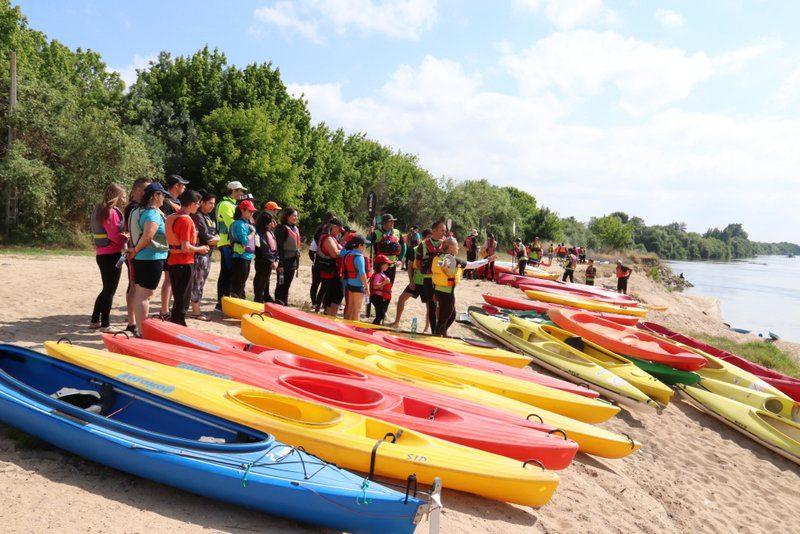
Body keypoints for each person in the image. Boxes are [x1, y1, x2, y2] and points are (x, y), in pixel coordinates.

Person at [126, 182, 170, 333]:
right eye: (162, 194)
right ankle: (143, 332)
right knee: (145, 295)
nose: (164, 198)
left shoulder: (139, 210)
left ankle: (140, 329)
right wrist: (136, 249)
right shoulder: (152, 213)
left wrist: (135, 250)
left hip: (143, 259)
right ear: (155, 195)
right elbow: (147, 237)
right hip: (151, 258)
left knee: (140, 294)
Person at [432, 237, 494, 337]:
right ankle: (437, 336)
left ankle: (442, 333)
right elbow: (472, 265)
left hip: (438, 290)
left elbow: (439, 271)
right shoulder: (453, 259)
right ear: (451, 247)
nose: (458, 247)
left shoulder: (438, 256)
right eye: (456, 245)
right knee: (445, 316)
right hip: (446, 292)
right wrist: (488, 260)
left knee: (451, 316)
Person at [165, 190, 208, 326]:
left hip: (172, 261)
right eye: (196, 204)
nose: (198, 207)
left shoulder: (174, 216)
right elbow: (185, 247)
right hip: (184, 263)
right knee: (183, 298)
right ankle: (179, 324)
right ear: (190, 205)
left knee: (178, 296)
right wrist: (201, 249)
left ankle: (175, 321)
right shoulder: (186, 220)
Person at [89, 183, 128, 329]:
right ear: (116, 196)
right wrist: (126, 237)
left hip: (103, 254)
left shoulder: (101, 209)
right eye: (123, 196)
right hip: (111, 254)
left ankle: (95, 320)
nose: (124, 200)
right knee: (109, 290)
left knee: (106, 289)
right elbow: (114, 235)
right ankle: (105, 324)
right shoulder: (111, 212)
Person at [122, 177, 152, 332]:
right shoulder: (133, 207)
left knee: (134, 285)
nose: (148, 193)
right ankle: (131, 321)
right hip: (134, 251)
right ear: (137, 190)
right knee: (133, 285)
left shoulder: (136, 207)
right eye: (146, 190)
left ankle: (132, 320)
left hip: (135, 250)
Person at [158, 174, 189, 318]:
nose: (184, 187)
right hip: (167, 246)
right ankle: (164, 310)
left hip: (173, 246)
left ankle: (167, 308)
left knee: (172, 279)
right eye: (182, 184)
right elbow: (165, 222)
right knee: (168, 278)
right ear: (176, 185)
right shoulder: (165, 201)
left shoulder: (176, 201)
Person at [390, 229, 431, 331]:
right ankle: (396, 322)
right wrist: (411, 281)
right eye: (429, 237)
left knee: (430, 307)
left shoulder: (436, 250)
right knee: (401, 299)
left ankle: (426, 329)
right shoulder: (416, 249)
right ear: (424, 237)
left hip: (428, 283)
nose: (430, 240)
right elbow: (409, 267)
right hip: (416, 282)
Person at [215, 181, 248, 309]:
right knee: (227, 272)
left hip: (230, 242)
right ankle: (221, 302)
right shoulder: (226, 204)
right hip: (226, 242)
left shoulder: (232, 204)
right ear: (233, 191)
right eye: (240, 191)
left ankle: (225, 301)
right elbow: (232, 225)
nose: (242, 193)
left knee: (230, 272)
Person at [188, 190, 218, 320]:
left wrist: (215, 238)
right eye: (210, 203)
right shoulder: (198, 216)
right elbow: (208, 238)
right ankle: (195, 312)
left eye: (213, 203)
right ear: (202, 203)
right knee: (197, 283)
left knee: (200, 283)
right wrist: (216, 238)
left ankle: (195, 310)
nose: (212, 206)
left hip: (206, 254)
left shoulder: (206, 217)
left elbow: (213, 236)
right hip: (199, 255)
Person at [419, 221, 447, 332]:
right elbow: (418, 263)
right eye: (442, 230)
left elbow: (449, 261)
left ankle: (441, 330)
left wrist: (438, 265)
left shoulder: (446, 244)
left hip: (441, 280)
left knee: (443, 306)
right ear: (434, 230)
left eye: (445, 230)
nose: (444, 233)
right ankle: (433, 330)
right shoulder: (424, 244)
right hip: (428, 279)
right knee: (431, 306)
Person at [316, 218, 345, 316]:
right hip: (330, 272)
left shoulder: (332, 238)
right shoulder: (328, 238)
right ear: (333, 227)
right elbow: (334, 254)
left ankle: (330, 315)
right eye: (339, 230)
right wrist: (346, 251)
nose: (340, 232)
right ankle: (330, 317)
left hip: (333, 272)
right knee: (336, 295)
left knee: (334, 295)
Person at [229, 200, 258, 299]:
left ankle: (241, 299)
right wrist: (253, 232)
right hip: (240, 257)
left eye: (253, 211)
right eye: (250, 211)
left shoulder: (247, 223)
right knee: (239, 282)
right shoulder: (239, 224)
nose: (252, 213)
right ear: (242, 210)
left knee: (242, 282)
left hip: (247, 257)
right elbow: (244, 241)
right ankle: (235, 301)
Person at [274, 207, 301, 306]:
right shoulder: (281, 228)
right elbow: (279, 247)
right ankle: (278, 303)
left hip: (292, 262)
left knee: (287, 284)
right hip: (283, 262)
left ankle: (284, 302)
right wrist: (280, 263)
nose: (296, 218)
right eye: (294, 215)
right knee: (281, 283)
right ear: (287, 216)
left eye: (296, 216)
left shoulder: (295, 228)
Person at [309, 212, 335, 311]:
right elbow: (311, 250)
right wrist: (316, 260)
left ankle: (319, 303)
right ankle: (314, 303)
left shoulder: (331, 234)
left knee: (323, 285)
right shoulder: (322, 231)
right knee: (316, 283)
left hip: (324, 262)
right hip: (318, 261)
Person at [340, 235, 369, 321]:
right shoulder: (359, 257)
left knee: (350, 308)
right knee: (357, 310)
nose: (365, 247)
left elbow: (341, 253)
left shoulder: (348, 255)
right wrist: (367, 287)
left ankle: (345, 327)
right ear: (360, 245)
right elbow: (362, 274)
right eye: (364, 245)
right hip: (358, 287)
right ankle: (355, 330)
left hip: (350, 285)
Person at [371, 213, 405, 285]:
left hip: (393, 264)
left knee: (389, 287)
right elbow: (367, 244)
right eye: (390, 221)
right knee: (378, 288)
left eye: (393, 221)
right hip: (380, 266)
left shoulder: (397, 232)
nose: (393, 223)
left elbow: (403, 246)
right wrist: (369, 236)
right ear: (384, 223)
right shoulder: (376, 233)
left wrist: (400, 259)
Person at [253, 209, 279, 303]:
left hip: (270, 262)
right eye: (270, 221)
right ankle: (258, 300)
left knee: (265, 281)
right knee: (260, 282)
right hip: (262, 262)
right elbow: (264, 248)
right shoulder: (259, 233)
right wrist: (272, 261)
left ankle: (263, 298)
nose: (272, 223)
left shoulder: (270, 232)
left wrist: (276, 260)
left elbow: (276, 248)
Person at [370, 255, 393, 325]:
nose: (388, 266)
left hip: (379, 297)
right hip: (376, 297)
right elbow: (375, 286)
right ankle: (372, 328)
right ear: (380, 265)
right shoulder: (378, 275)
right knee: (381, 315)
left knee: (379, 315)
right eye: (387, 264)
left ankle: (375, 327)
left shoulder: (381, 273)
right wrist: (385, 282)